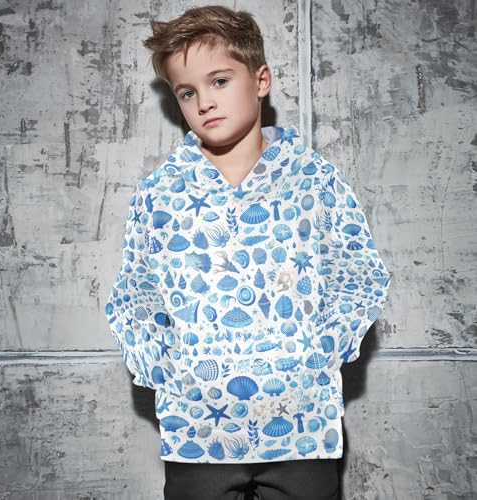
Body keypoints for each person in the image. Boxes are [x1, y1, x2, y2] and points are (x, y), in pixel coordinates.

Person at [105, 5, 391, 500]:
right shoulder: (158, 193)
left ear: (261, 80)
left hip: (301, 426)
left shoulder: (314, 180)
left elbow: (359, 275)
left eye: (219, 81)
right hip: (198, 431)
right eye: (187, 92)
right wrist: (168, 371)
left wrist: (316, 354)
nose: (204, 102)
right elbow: (136, 295)